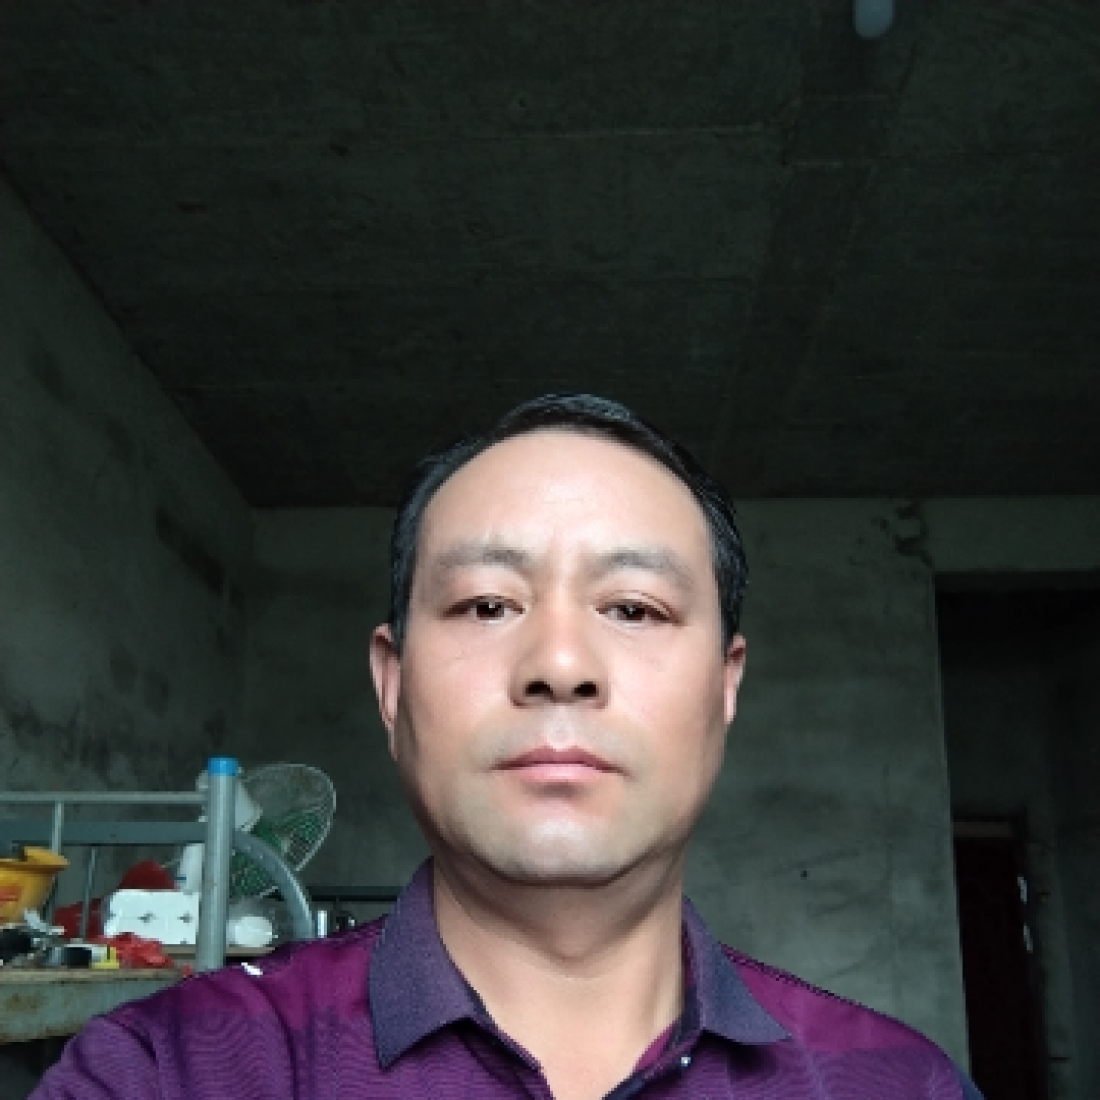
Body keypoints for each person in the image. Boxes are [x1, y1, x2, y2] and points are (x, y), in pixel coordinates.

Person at [33, 394, 982, 1099]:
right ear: (392, 683)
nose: (560, 664)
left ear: (725, 685)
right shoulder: (165, 1073)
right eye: (487, 604)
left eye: (634, 608)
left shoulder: (900, 1085)